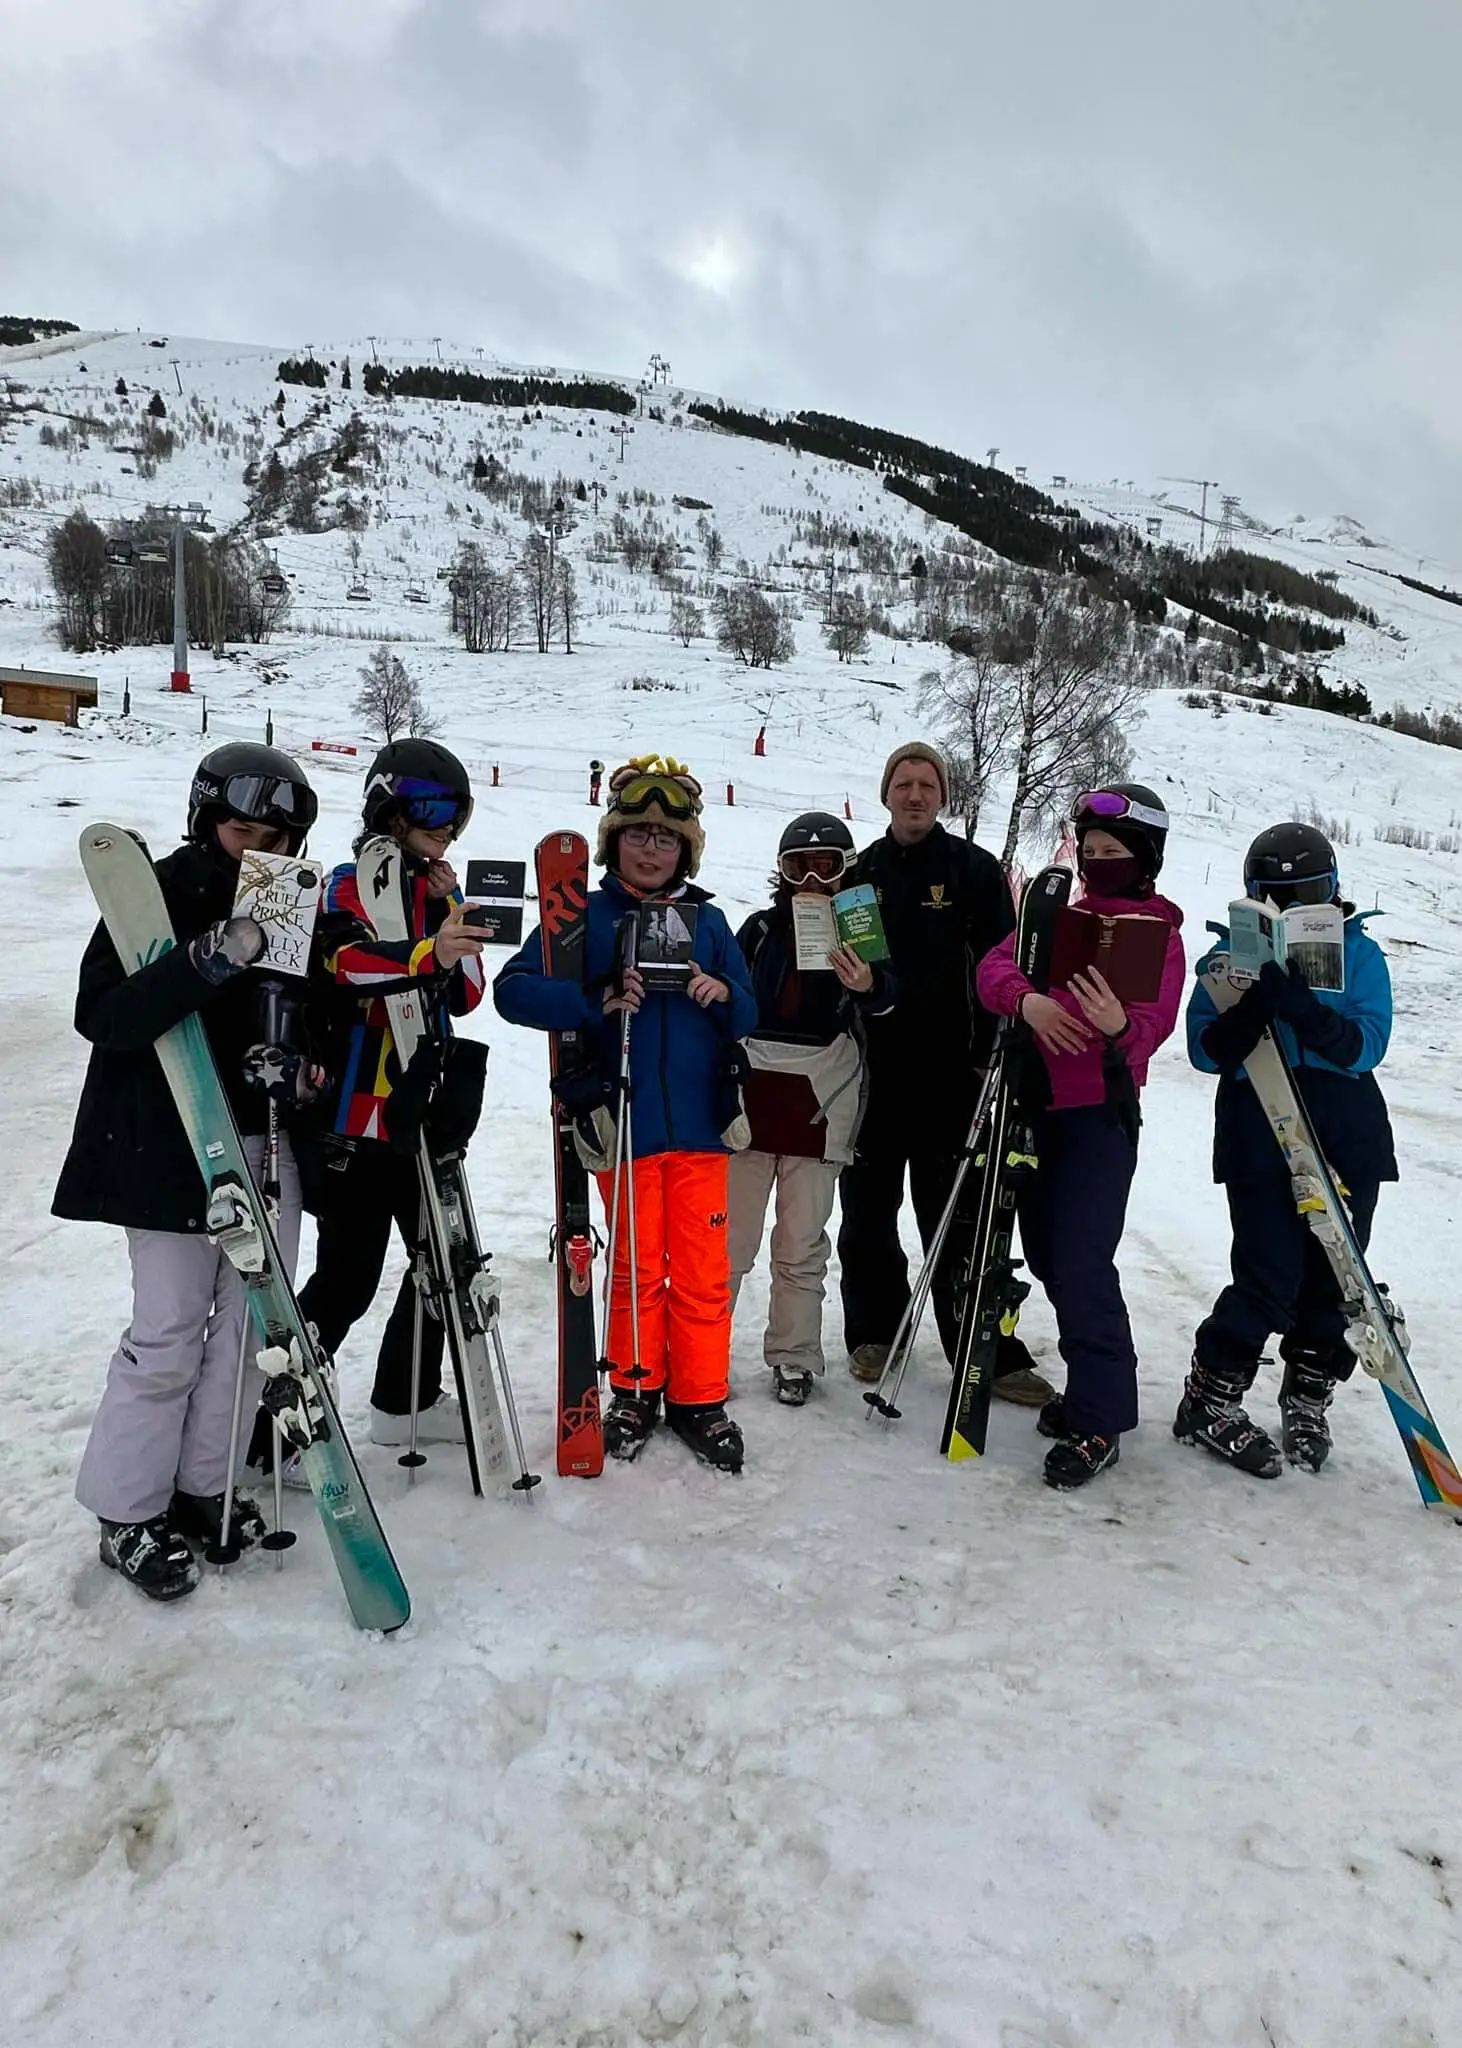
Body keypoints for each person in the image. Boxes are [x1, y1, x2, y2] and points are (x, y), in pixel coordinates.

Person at [54, 743, 319, 1601]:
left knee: (250, 1331)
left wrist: (304, 1064)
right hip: (166, 1147)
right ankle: (129, 1509)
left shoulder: (288, 902)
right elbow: (105, 1014)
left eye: (275, 834)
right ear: (208, 816)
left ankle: (207, 1486)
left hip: (261, 1141)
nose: (256, 846)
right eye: (243, 827)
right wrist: (208, 959)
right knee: (169, 1330)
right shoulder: (157, 890)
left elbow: (304, 1013)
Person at [494, 754, 757, 1470]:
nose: (650, 847)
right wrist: (594, 995)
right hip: (626, 1128)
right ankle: (636, 1389)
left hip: (701, 1129)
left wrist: (721, 995)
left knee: (702, 1271)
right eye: (637, 834)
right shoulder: (584, 917)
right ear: (614, 841)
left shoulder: (708, 921)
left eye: (665, 838)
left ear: (686, 849)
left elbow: (749, 1007)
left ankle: (700, 1398)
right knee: (637, 1267)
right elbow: (514, 992)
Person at [977, 785, 1186, 1487]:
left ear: (1144, 858)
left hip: (1100, 1114)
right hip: (1036, 1107)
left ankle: (1102, 1417)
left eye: (1113, 854)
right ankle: (1087, 1393)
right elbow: (994, 967)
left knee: (1084, 1260)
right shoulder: (1057, 918)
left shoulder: (1159, 933)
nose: (1099, 865)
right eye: (1090, 854)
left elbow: (1154, 1025)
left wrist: (1119, 1029)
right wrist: (1029, 1001)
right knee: (1047, 1255)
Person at [836, 741, 1055, 1403]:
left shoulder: (974, 871)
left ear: (943, 796)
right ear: (886, 794)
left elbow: (1002, 967)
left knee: (960, 1215)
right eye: (903, 783)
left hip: (953, 1074)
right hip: (875, 1072)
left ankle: (982, 1345)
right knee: (869, 1212)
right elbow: (863, 971)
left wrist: (991, 1053)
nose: (915, 794)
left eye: (927, 784)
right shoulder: (860, 874)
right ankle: (876, 1332)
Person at [285, 738, 486, 1452]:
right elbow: (344, 965)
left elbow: (464, 996)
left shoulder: (434, 892)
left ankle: (405, 1398)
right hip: (355, 1122)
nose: (447, 824)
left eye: (457, 811)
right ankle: (267, 1421)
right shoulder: (344, 884)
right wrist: (428, 951)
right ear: (387, 808)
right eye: (431, 807)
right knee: (347, 1278)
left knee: (440, 1266)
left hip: (424, 1111)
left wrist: (448, 914)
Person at [1178, 822, 1396, 1478]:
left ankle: (1307, 1392)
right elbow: (1203, 1050)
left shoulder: (1361, 956)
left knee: (1334, 1273)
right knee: (1269, 1274)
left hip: (1345, 1132)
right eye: (1276, 896)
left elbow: (1366, 1047)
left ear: (1331, 892)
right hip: (1258, 1130)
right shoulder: (1225, 965)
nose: (1293, 904)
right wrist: (1251, 1009)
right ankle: (1210, 1396)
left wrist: (1303, 1009)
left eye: (1306, 894)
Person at [729, 812, 896, 1404]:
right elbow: (730, 1004)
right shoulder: (758, 929)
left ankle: (795, 1354)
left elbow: (887, 1000)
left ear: (845, 869)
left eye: (826, 866)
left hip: (819, 1096)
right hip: (754, 1096)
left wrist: (867, 984)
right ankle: (699, 1350)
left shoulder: (860, 926)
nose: (811, 880)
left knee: (801, 1240)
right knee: (729, 1240)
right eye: (797, 866)